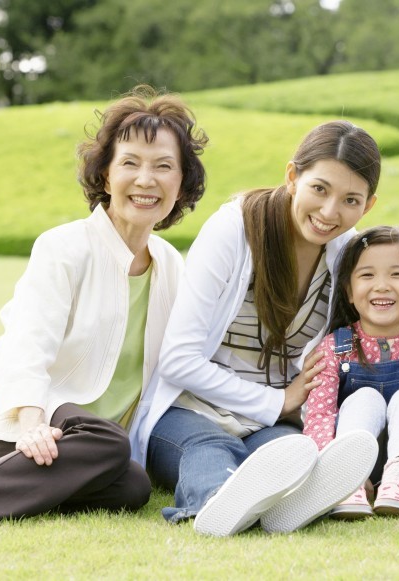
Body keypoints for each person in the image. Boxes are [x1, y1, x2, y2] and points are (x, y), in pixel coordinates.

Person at [0, 85, 207, 539]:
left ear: (182, 182)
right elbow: (27, 341)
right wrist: (33, 423)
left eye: (163, 166)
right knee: (109, 445)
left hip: (88, 448)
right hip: (9, 425)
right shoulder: (64, 246)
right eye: (130, 162)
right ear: (106, 173)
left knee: (132, 486)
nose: (146, 179)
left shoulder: (172, 265)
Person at [129, 120, 384, 537]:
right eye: (319, 189)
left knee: (292, 453)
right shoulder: (234, 229)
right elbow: (178, 361)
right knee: (212, 448)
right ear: (292, 176)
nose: (329, 212)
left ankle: (295, 502)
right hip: (190, 408)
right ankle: (215, 501)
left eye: (350, 200)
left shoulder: (347, 252)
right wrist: (277, 401)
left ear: (368, 206)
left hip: (269, 423)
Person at [302, 226, 399, 519]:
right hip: (353, 462)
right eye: (367, 275)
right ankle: (350, 484)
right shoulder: (334, 348)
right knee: (364, 398)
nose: (382, 285)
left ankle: (397, 481)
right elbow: (319, 416)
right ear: (349, 291)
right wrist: (334, 470)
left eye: (397, 274)